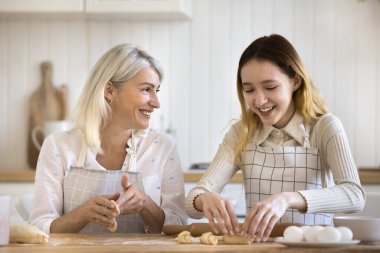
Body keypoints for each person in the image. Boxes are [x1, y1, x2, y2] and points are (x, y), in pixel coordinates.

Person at [185, 34, 365, 242]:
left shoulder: (324, 127)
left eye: (270, 87)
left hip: (315, 246)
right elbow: (193, 201)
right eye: (249, 89)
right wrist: (205, 198)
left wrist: (288, 199)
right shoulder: (241, 132)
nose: (259, 100)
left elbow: (354, 196)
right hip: (261, 247)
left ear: (295, 81)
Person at [29, 44, 187, 234]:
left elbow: (178, 227)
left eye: (156, 91)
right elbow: (40, 227)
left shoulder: (163, 147)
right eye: (146, 90)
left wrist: (145, 204)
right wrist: (83, 214)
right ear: (109, 91)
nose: (156, 103)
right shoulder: (58, 146)